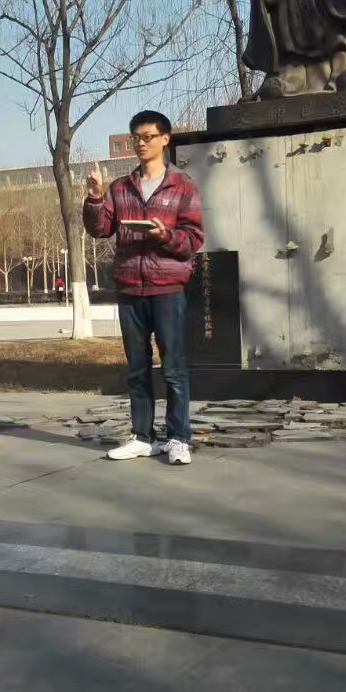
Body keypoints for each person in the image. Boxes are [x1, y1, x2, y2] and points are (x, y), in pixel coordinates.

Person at [84, 110, 204, 464]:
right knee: (137, 368)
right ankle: (141, 437)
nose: (140, 143)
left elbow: (193, 239)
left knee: (174, 369)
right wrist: (95, 197)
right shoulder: (121, 188)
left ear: (165, 139)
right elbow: (100, 229)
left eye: (148, 136)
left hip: (167, 287)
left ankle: (178, 438)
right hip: (129, 289)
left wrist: (164, 235)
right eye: (136, 137)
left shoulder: (182, 185)